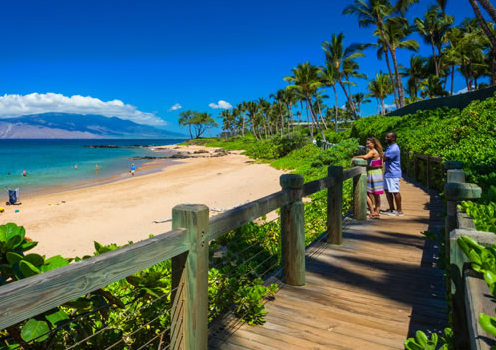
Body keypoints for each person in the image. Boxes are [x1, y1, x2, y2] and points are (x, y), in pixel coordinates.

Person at [353, 137, 384, 219]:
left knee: (366, 193)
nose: (367, 145)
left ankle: (372, 212)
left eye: (368, 143)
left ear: (373, 144)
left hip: (373, 174)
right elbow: (380, 164)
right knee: (376, 194)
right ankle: (376, 212)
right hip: (377, 173)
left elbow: (365, 157)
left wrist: (355, 157)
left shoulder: (373, 151)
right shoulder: (378, 152)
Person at [382, 132, 403, 216]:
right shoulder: (390, 147)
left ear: (393, 138)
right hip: (388, 173)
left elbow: (384, 159)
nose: (386, 138)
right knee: (387, 191)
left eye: (388, 137)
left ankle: (399, 211)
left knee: (395, 191)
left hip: (393, 173)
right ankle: (391, 209)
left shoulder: (394, 148)